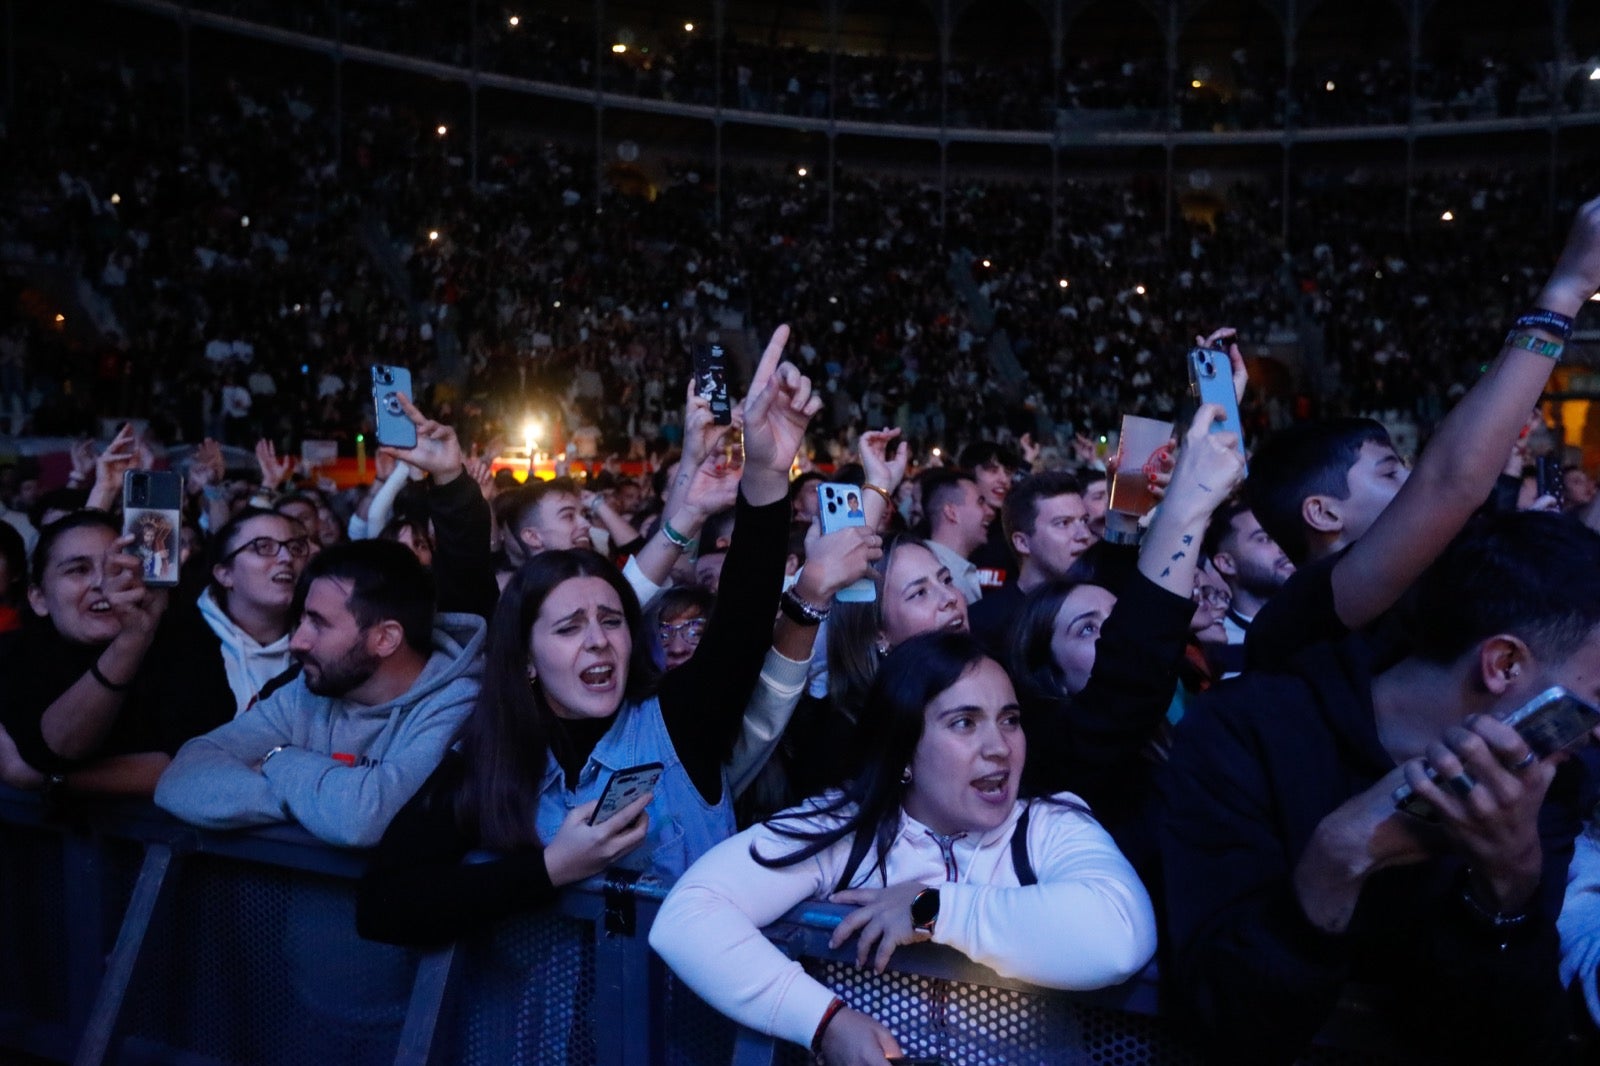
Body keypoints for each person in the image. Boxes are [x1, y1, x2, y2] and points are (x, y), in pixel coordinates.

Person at [355, 325, 824, 943]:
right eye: (569, 626)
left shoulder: (679, 723)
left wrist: (765, 474)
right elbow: (383, 905)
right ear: (525, 658)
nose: (598, 640)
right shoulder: (493, 761)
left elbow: (741, 615)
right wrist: (551, 870)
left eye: (611, 620)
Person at [1160, 510, 1600, 1064]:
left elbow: (1505, 1044)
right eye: (1597, 694)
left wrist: (1509, 883)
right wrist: (1333, 863)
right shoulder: (1247, 733)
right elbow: (1221, 1026)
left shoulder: (1546, 782)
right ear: (1504, 664)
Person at [649, 632, 1157, 1062]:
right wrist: (824, 1021)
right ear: (905, 748)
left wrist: (930, 909)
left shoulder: (1048, 825)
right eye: (964, 722)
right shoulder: (847, 828)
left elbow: (1118, 937)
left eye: (1009, 719)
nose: (999, 747)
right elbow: (689, 914)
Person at [1242, 194, 1600, 671]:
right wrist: (1565, 291)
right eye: (1390, 472)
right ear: (1323, 513)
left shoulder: (1436, 585)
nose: (1412, 482)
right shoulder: (1300, 614)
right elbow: (1449, 483)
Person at [1008, 405, 1246, 878]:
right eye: (1087, 629)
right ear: (1050, 673)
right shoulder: (1067, 761)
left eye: (1115, 620)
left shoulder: (1200, 707)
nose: (1114, 633)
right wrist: (1189, 501)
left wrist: (1128, 501)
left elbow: (1121, 589)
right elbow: (1131, 667)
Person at [0, 511, 233, 797]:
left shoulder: (186, 640)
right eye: (78, 570)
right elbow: (55, 749)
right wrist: (129, 643)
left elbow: (201, 759)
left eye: (117, 567)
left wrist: (49, 780)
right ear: (38, 598)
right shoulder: (14, 654)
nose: (102, 583)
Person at [966, 472, 1093, 655]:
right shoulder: (984, 623)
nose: (1084, 535)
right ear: (1022, 543)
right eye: (1063, 523)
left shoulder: (1102, 602)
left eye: (1084, 521)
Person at [1201, 501, 1294, 677]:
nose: (1283, 545)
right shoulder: (1214, 647)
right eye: (1264, 539)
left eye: (1282, 534)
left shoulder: (1325, 622)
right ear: (1227, 564)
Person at [918, 467, 991, 604]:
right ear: (951, 513)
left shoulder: (957, 568)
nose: (989, 512)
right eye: (980, 502)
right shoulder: (929, 571)